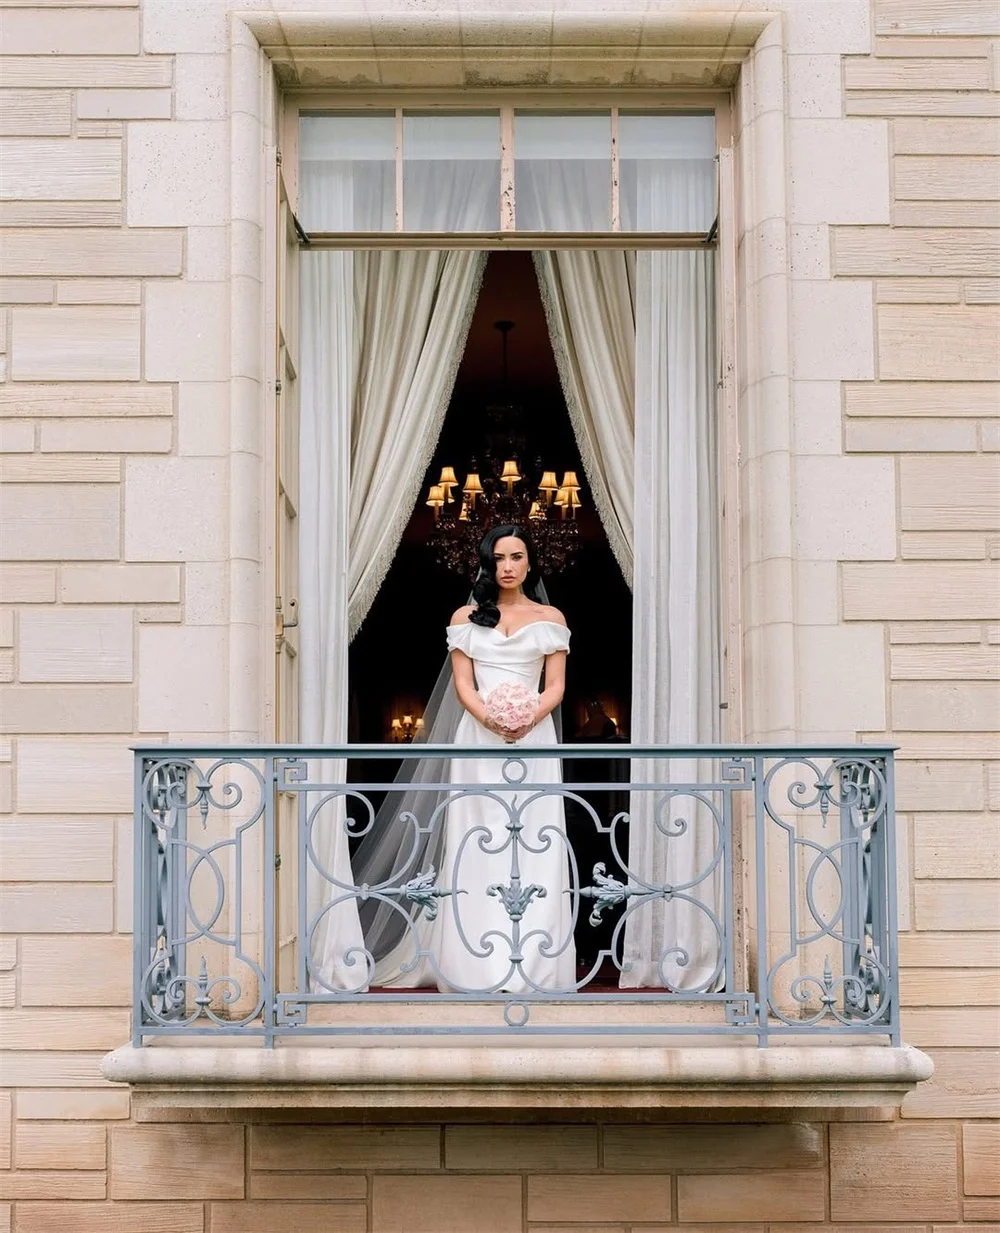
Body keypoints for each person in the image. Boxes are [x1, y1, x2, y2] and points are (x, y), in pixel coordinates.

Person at [372, 524, 576, 993]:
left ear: (530, 562)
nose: (507, 566)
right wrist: (492, 719)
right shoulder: (465, 617)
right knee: (477, 840)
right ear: (488, 563)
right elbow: (464, 686)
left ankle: (534, 965)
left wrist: (524, 719)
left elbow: (556, 687)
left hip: (534, 740)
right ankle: (475, 963)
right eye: (499, 558)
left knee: (534, 841)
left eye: (516, 557)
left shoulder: (550, 616)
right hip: (478, 741)